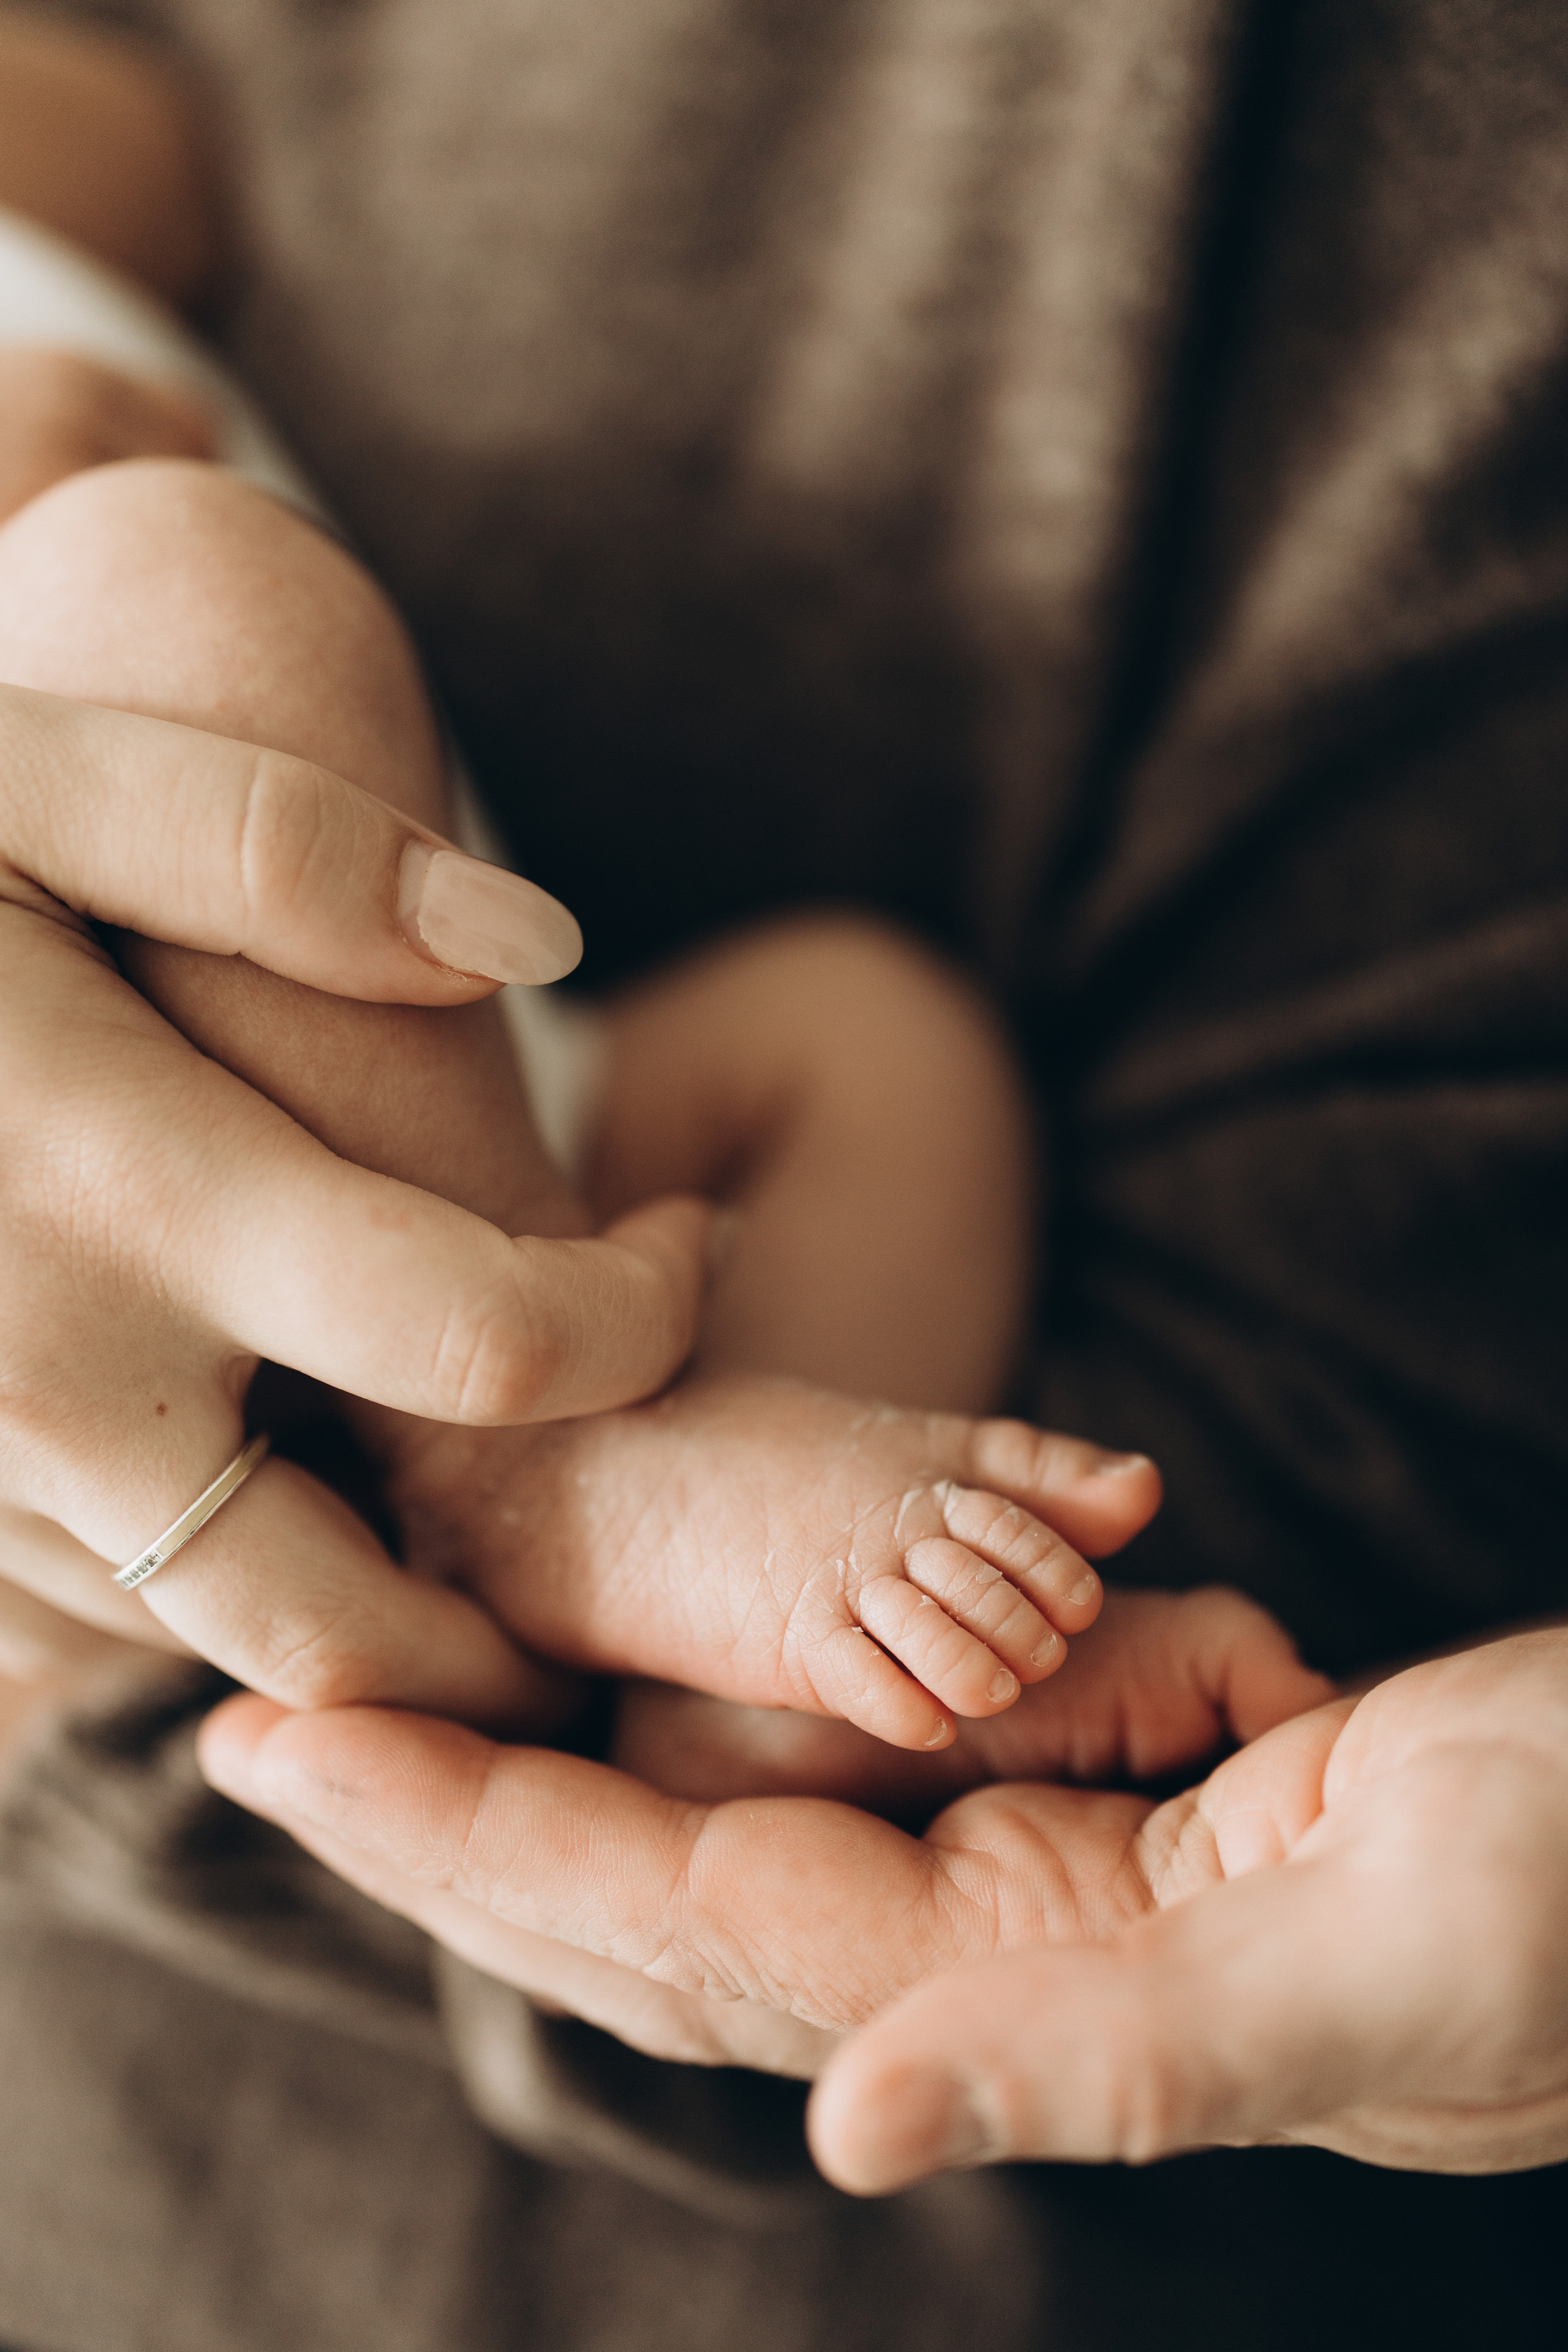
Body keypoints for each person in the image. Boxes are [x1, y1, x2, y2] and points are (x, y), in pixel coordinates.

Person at [1, 2, 1565, 2349]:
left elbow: (113, 143)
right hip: (196, 1144)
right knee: (167, 586)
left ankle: (686, 1606)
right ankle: (553, 1490)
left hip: (538, 1105)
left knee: (871, 1040)